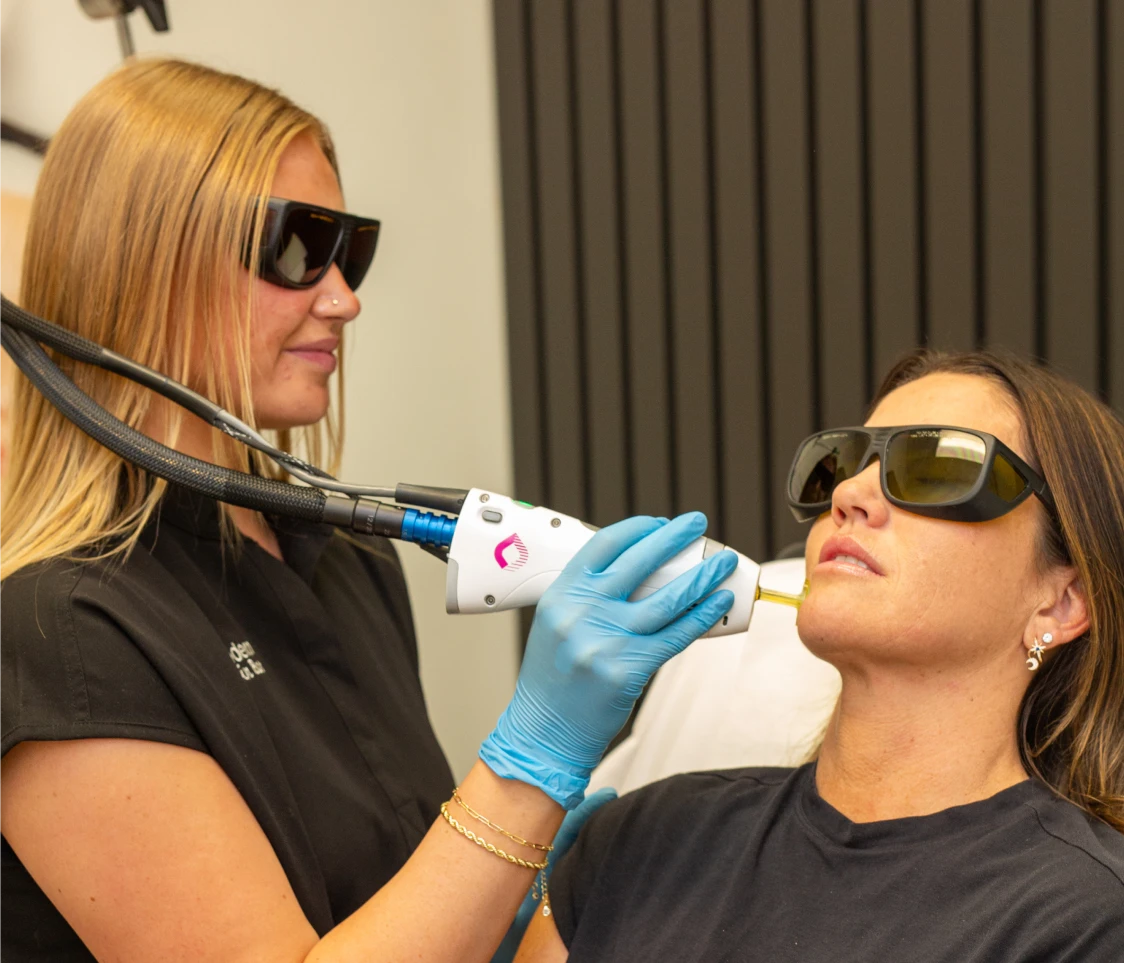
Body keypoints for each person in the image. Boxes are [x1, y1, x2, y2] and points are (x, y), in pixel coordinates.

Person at [0, 58, 740, 962]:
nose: (344, 298)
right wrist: (528, 769)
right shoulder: (58, 632)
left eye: (351, 253)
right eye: (298, 250)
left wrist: (516, 892)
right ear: (143, 262)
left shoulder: (348, 560)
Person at [517, 350, 1124, 962]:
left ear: (1062, 601)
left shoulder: (1090, 920)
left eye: (936, 468)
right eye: (847, 464)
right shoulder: (642, 840)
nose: (850, 492)